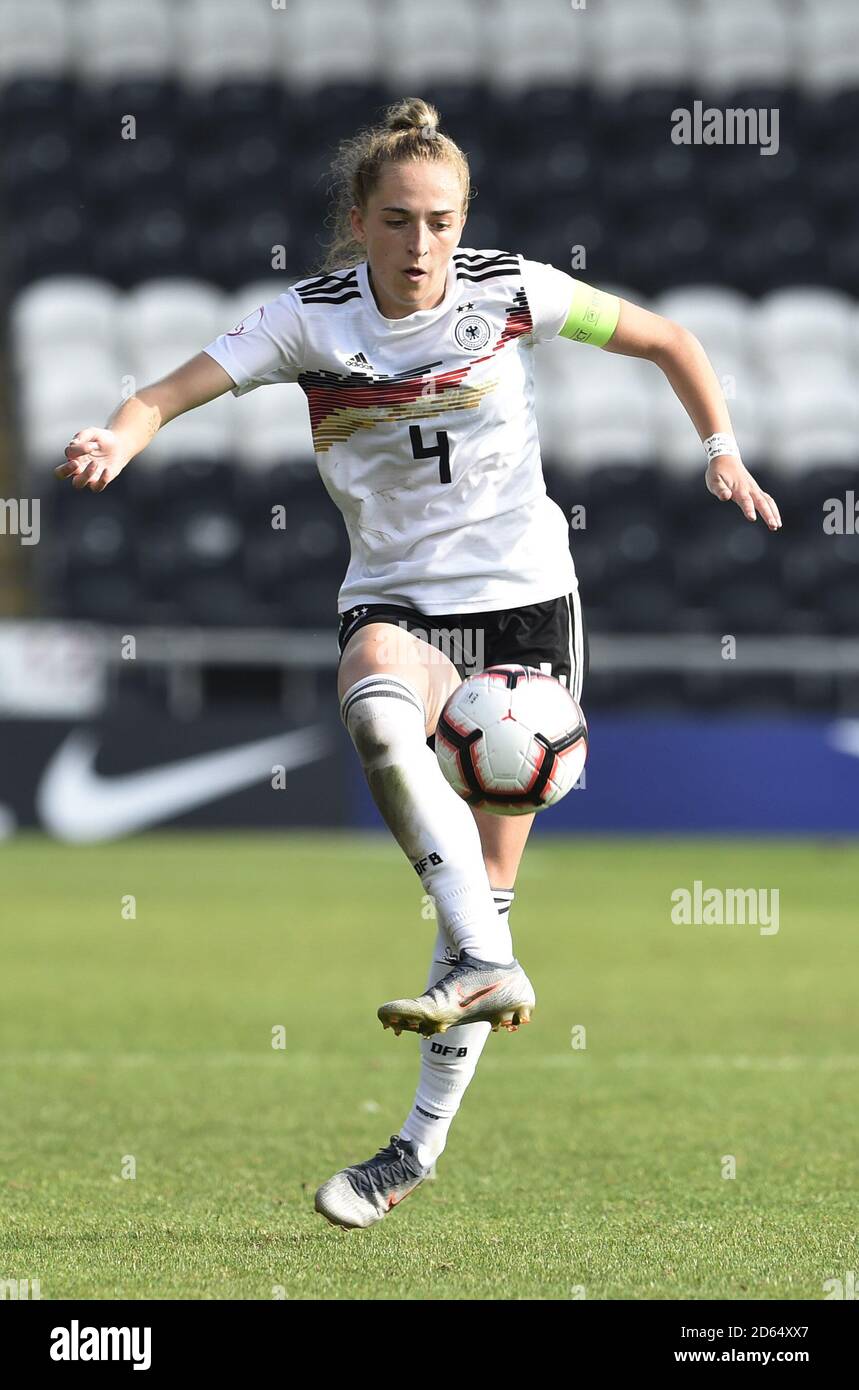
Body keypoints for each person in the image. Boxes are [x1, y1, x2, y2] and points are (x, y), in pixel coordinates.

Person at [56, 97, 781, 1230]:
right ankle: (491, 963)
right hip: (393, 592)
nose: (421, 244)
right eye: (396, 220)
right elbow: (167, 392)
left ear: (464, 220)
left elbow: (668, 340)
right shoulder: (308, 321)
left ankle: (413, 1148)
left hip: (526, 605)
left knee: (477, 899)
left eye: (440, 220)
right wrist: (117, 435)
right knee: (377, 720)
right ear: (359, 220)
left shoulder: (513, 292)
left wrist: (721, 452)